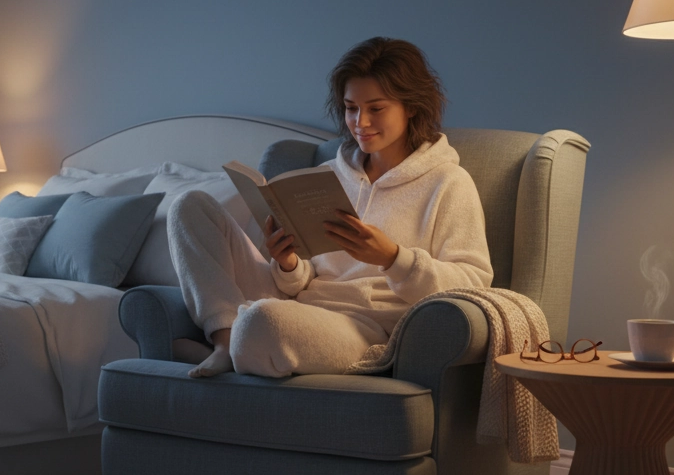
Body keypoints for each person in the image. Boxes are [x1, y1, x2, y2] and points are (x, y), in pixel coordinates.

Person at [169, 37, 494, 378]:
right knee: (189, 206)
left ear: (411, 106)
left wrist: (393, 259)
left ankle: (240, 341)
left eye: (376, 108)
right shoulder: (328, 176)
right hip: (300, 306)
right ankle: (224, 342)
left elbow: (473, 284)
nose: (360, 122)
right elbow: (300, 282)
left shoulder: (449, 183)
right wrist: (288, 263)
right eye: (351, 108)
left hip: (363, 329)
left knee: (261, 321)